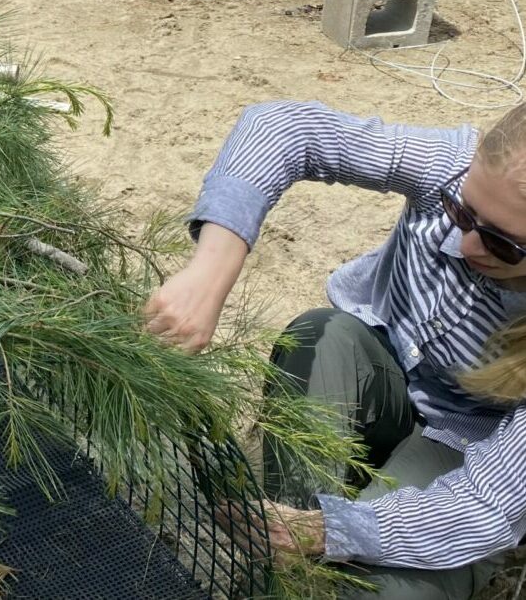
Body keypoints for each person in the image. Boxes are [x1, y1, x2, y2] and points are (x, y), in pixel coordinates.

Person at [144, 99, 526, 599]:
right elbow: (285, 127)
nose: (464, 243)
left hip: (468, 446)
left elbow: (484, 506)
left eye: (501, 244)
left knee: (384, 591)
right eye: (462, 212)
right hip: (379, 372)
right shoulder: (447, 167)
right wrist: (209, 272)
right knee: (322, 335)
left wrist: (332, 530)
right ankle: (280, 565)